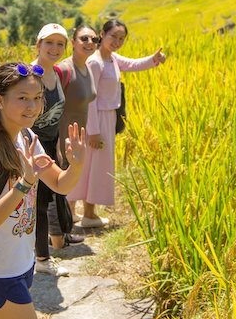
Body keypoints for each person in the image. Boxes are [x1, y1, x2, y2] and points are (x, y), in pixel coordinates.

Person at [0, 62, 86, 319]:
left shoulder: (26, 138)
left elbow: (59, 182)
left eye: (37, 98)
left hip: (19, 264)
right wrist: (24, 184)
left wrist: (78, 163)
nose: (32, 106)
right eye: (22, 98)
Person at [67, 18, 166, 228]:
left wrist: (153, 59)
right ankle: (87, 214)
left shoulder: (111, 58)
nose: (117, 41)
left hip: (107, 117)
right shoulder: (95, 61)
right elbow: (90, 98)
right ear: (102, 35)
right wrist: (93, 131)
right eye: (114, 36)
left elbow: (132, 64)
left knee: (89, 165)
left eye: (122, 38)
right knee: (92, 165)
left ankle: (75, 212)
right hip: (96, 118)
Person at [30, 23, 83, 277]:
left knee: (45, 200)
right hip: (30, 147)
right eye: (48, 43)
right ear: (38, 44)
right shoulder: (31, 75)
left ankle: (38, 254)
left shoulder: (56, 74)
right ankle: (41, 257)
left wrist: (59, 149)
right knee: (38, 203)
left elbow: (57, 117)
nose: (54, 48)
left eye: (60, 44)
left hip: (49, 146)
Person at [49, 25, 99, 249]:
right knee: (55, 188)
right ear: (73, 41)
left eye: (94, 38)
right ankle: (54, 237)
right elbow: (52, 104)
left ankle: (63, 232)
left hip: (76, 138)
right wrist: (58, 142)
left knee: (65, 188)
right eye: (84, 38)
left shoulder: (86, 68)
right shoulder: (64, 69)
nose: (90, 42)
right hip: (63, 138)